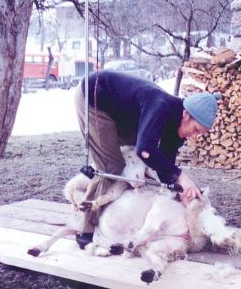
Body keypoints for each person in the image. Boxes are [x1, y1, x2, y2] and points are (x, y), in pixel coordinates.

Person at [74, 70, 221, 248]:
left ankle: (115, 206)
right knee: (111, 166)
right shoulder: (161, 106)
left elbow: (165, 167)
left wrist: (180, 189)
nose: (195, 136)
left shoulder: (177, 126)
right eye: (196, 129)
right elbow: (145, 150)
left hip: (119, 111)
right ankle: (85, 225)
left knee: (139, 145)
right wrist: (182, 176)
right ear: (186, 114)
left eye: (200, 133)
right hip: (95, 98)